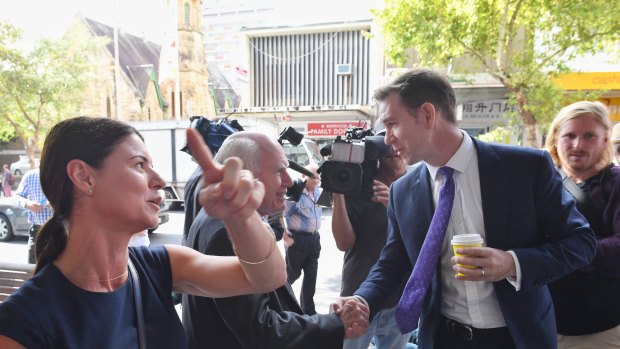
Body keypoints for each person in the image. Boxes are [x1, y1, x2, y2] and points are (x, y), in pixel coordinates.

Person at [331, 68, 597, 349]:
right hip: (443, 338)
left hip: (519, 337)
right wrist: (361, 299)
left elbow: (581, 242)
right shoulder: (403, 190)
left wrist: (512, 263)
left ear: (427, 115)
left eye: (393, 124)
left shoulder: (525, 168)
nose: (387, 139)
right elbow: (392, 263)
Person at [0, 116, 286, 349]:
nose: (160, 180)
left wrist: (241, 219)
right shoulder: (20, 325)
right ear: (84, 176)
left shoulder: (159, 267)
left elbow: (267, 277)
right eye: (139, 164)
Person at [183, 131, 369, 349]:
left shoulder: (228, 222)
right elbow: (262, 331)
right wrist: (336, 324)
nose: (290, 181)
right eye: (280, 171)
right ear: (245, 174)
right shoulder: (229, 232)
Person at [544, 101, 620, 348]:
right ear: (555, 139)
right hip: (541, 323)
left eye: (589, 136)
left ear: (605, 140)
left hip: (601, 328)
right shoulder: (540, 183)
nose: (578, 145)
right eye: (570, 135)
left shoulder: (614, 184)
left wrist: (558, 254)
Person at [331, 127, 411, 349]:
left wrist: (394, 206)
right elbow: (343, 244)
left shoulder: (417, 185)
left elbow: (426, 240)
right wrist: (337, 192)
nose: (395, 150)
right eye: (388, 148)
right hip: (358, 297)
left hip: (400, 298)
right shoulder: (359, 187)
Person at [283, 163, 323, 315]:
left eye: (318, 177)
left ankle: (308, 311)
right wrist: (286, 238)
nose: (316, 180)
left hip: (314, 240)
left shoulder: (319, 193)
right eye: (313, 176)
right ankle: (282, 305)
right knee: (290, 276)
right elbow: (279, 214)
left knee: (311, 278)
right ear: (303, 176)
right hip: (297, 240)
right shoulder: (296, 194)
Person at [13, 168, 53, 264]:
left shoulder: (63, 175)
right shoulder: (30, 175)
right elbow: (16, 197)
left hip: (59, 230)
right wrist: (27, 204)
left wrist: (58, 203)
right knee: (32, 269)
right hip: (37, 231)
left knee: (58, 271)